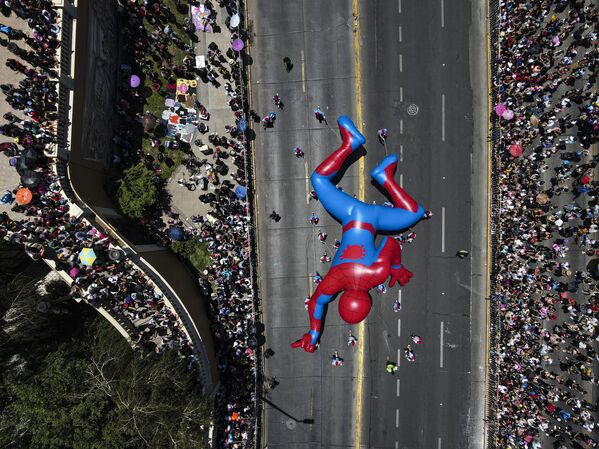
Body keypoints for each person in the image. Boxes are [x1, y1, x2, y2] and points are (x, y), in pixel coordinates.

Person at [292, 116, 426, 352]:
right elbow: (316, 303)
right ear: (340, 299)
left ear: (370, 301)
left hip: (373, 219)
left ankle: (385, 178)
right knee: (319, 179)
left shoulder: (376, 274)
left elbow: (391, 243)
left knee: (414, 213)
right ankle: (349, 145)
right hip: (350, 215)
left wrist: (395, 268)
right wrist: (313, 333)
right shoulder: (335, 281)